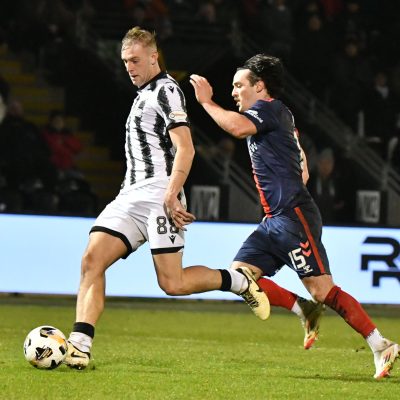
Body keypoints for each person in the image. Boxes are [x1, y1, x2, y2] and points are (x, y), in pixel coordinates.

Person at [63, 26, 269, 370]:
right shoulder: (142, 94)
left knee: (173, 283)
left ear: (153, 57)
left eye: (135, 60)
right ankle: (80, 345)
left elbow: (186, 148)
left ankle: (237, 281)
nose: (129, 67)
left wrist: (172, 195)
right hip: (129, 195)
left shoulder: (167, 90)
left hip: (160, 194)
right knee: (91, 260)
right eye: (125, 61)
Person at [189, 54, 399, 379]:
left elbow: (237, 127)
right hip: (273, 219)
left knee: (323, 289)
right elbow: (301, 162)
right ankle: (304, 309)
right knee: (241, 277)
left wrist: (206, 102)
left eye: (239, 85)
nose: (234, 92)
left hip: (292, 216)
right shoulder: (280, 115)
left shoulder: (267, 109)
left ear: (260, 86)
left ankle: (379, 344)